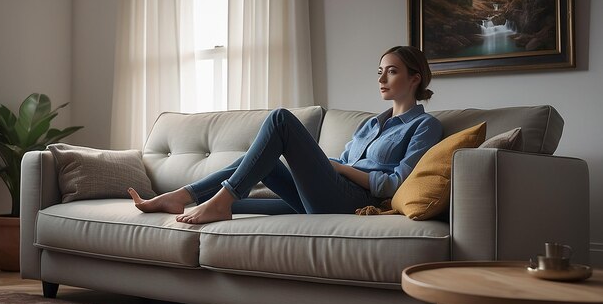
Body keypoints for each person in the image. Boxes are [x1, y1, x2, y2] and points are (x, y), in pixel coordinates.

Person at [128, 45, 443, 224]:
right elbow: (342, 162)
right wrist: (324, 167)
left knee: (281, 120)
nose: (382, 78)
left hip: (354, 201)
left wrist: (335, 168)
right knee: (241, 193)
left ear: (415, 78)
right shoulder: (370, 125)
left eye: (392, 71)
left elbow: (395, 183)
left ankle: (214, 199)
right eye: (380, 71)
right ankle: (183, 198)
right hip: (327, 192)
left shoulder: (424, 126)